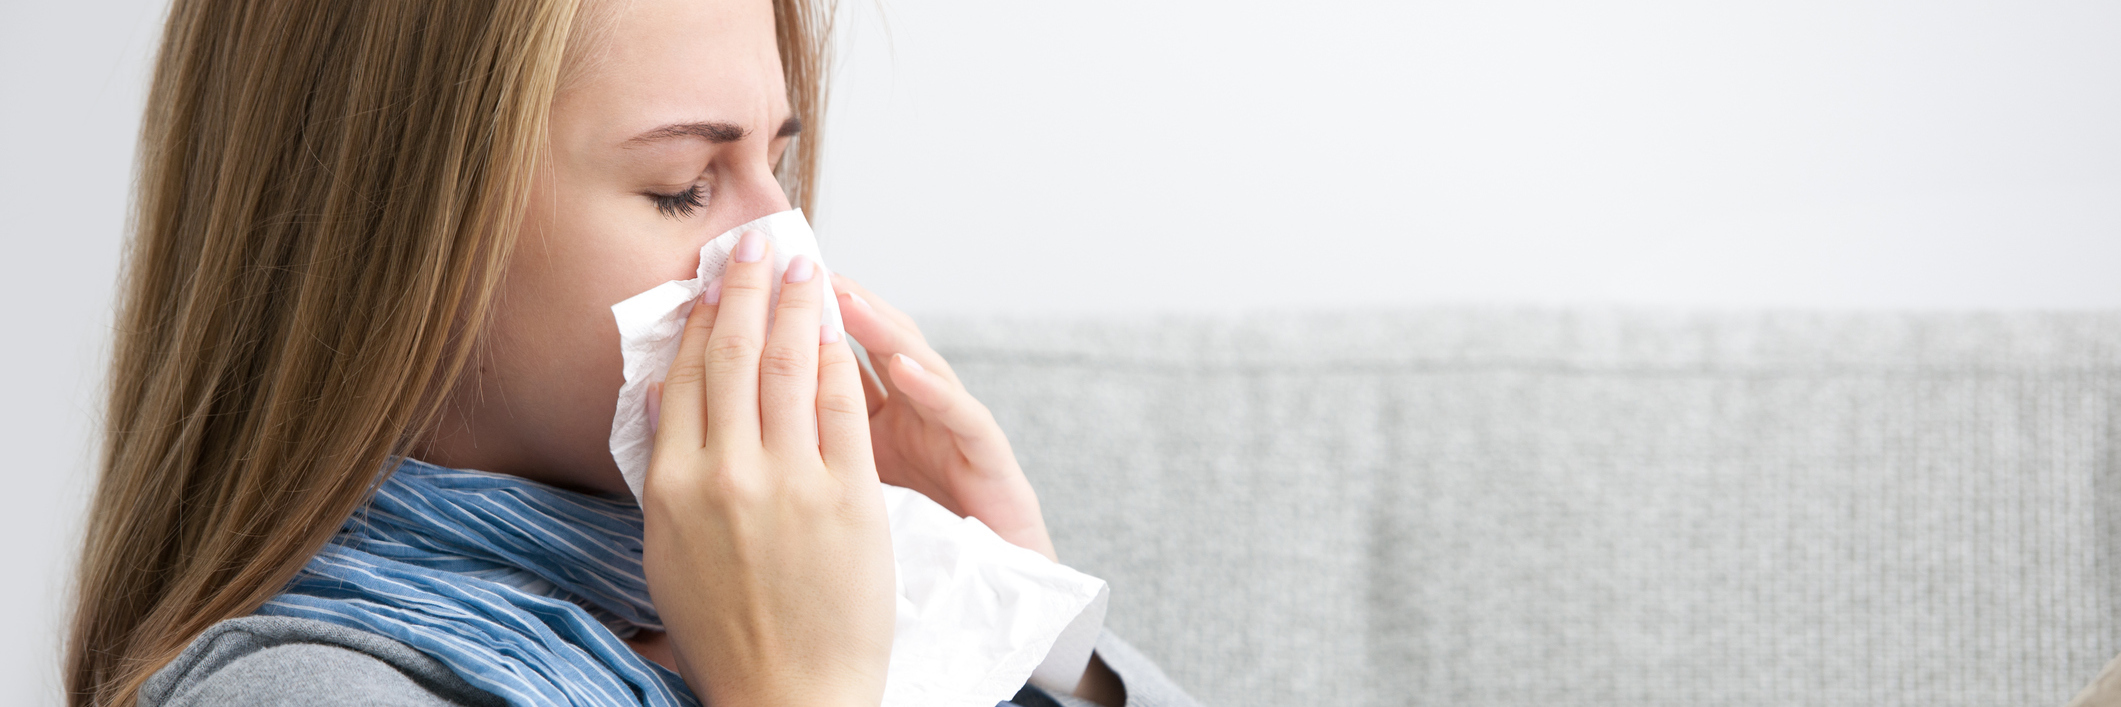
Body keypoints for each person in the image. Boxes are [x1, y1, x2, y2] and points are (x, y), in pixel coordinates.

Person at [63, 0, 1200, 705]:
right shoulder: (306, 689)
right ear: (395, 247)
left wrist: (1021, 630)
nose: (780, 246)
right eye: (683, 188)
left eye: (779, 171)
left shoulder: (787, 595)